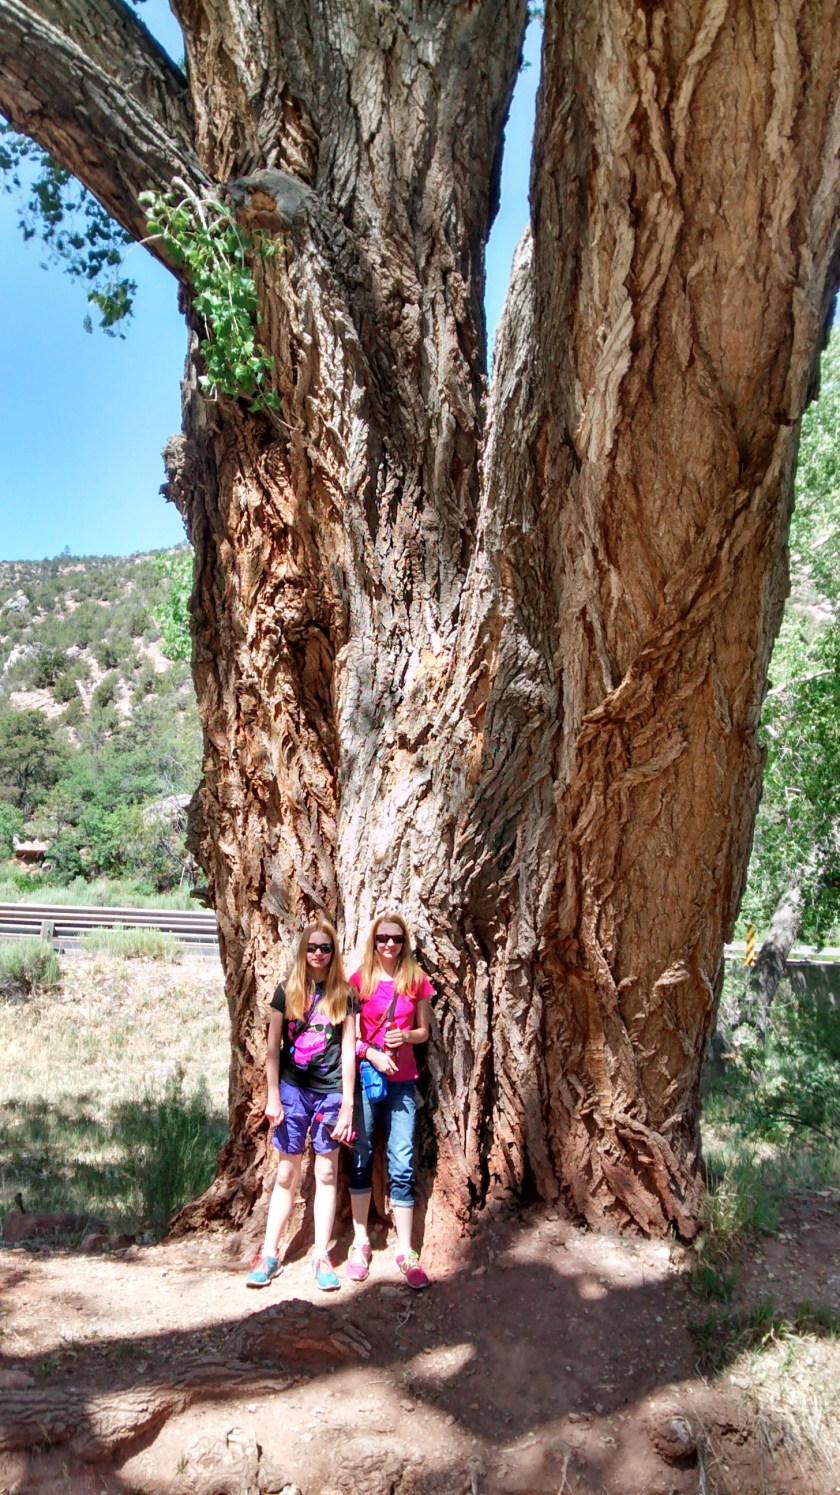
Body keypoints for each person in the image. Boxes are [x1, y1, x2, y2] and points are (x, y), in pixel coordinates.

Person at [246, 919, 356, 1292]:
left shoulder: (344, 994)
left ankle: (321, 1255)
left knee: (326, 1174)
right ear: (303, 950)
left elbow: (348, 1052)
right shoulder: (287, 991)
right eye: (313, 947)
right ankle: (269, 1252)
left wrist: (348, 1107)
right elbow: (273, 1047)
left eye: (326, 948)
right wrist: (273, 1095)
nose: (319, 954)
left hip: (331, 1093)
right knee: (285, 1174)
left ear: (333, 953)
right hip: (293, 1091)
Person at [346, 912, 433, 1289]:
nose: (389, 945)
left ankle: (405, 1250)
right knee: (362, 1156)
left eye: (396, 939)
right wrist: (372, 1053)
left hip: (402, 1083)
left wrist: (406, 1039)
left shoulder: (416, 981)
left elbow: (424, 1031)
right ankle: (360, 1242)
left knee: (401, 1160)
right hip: (367, 1079)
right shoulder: (358, 981)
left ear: (404, 942)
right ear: (373, 941)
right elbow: (347, 1037)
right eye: (383, 938)